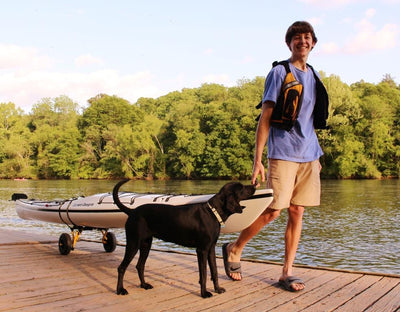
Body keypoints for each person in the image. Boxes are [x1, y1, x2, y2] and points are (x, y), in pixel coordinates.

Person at [222, 21, 327, 292]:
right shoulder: (280, 73)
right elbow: (265, 118)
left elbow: (308, 121)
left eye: (307, 37)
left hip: (309, 154)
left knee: (297, 211)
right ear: (289, 43)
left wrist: (316, 156)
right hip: (283, 153)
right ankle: (234, 248)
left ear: (313, 43)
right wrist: (258, 159)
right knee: (273, 211)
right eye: (296, 38)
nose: (302, 41)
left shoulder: (314, 76)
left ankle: (287, 272)